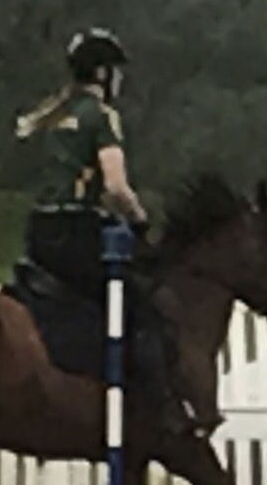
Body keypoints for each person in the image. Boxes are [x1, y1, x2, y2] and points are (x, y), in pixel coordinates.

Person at [10, 27, 177, 414]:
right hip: (76, 233)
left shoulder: (50, 115)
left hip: (39, 231)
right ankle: (154, 403)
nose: (119, 80)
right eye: (116, 72)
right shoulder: (101, 117)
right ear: (102, 73)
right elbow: (116, 187)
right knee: (142, 304)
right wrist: (139, 217)